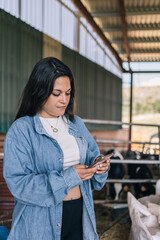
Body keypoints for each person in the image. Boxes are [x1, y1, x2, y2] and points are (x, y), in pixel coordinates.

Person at [3, 57, 110, 240]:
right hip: (40, 221)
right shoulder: (22, 130)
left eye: (68, 93)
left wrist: (99, 167)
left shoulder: (76, 124)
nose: (64, 100)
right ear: (39, 91)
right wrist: (68, 178)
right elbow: (19, 184)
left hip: (80, 215)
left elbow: (93, 157)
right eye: (57, 93)